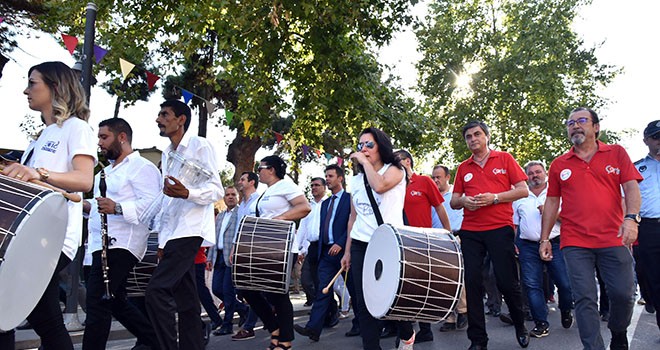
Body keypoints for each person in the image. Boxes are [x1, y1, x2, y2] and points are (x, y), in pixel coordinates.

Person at [0, 61, 97, 349]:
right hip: (31, 236)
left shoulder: (76, 128)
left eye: (33, 83)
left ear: (54, 87)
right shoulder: (41, 138)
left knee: (6, 306)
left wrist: (38, 173)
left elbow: (83, 180)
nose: (25, 90)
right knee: (44, 319)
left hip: (51, 239)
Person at [540, 107, 642, 350]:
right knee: (585, 299)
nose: (575, 125)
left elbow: (631, 188)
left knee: (623, 295)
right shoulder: (559, 164)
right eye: (570, 122)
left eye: (582, 120)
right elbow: (552, 201)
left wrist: (631, 219)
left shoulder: (616, 153)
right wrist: (544, 239)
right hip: (575, 242)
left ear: (596, 127)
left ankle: (618, 331)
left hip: (613, 238)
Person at [146, 99, 224, 350]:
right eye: (159, 115)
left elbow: (216, 189)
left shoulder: (200, 146)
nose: (159, 119)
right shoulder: (168, 153)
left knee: (156, 292)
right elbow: (167, 201)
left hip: (190, 230)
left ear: (181, 120)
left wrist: (187, 193)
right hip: (173, 232)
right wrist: (161, 240)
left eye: (164, 114)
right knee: (188, 302)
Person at [82, 117, 161, 350]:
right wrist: (76, 203)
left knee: (97, 303)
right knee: (114, 301)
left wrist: (116, 207)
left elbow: (152, 207)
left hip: (123, 244)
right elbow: (98, 208)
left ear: (122, 137)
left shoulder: (142, 168)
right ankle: (161, 343)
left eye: (104, 137)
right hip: (98, 246)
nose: (100, 143)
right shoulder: (102, 174)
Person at [450, 120, 530, 350]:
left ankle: (519, 325)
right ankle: (478, 340)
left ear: (486, 136)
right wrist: (464, 201)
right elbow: (454, 201)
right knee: (473, 283)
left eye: (477, 134)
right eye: (468, 136)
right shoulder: (463, 167)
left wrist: (494, 197)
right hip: (471, 231)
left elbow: (522, 189)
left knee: (506, 281)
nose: (473, 139)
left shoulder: (504, 158)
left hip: (499, 228)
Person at [341, 127, 415, 350]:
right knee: (363, 302)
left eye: (369, 145)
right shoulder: (355, 181)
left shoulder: (395, 170)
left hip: (388, 242)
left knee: (391, 296)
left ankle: (406, 332)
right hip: (362, 245)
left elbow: (380, 186)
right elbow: (353, 218)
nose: (363, 149)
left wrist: (364, 163)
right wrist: (347, 251)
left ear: (381, 146)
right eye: (360, 145)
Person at [237, 155, 311, 350]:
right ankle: (274, 328)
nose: (258, 171)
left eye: (260, 167)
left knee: (278, 294)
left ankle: (285, 341)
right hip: (265, 247)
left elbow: (304, 207)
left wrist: (282, 218)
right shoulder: (266, 192)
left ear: (272, 169)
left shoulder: (286, 185)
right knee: (247, 288)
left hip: (283, 247)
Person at [394, 150, 450, 344]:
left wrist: (447, 232)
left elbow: (439, 207)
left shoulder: (425, 181)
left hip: (422, 240)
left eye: (397, 161)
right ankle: (405, 330)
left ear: (407, 161)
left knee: (423, 285)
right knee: (404, 285)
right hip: (399, 240)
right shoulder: (393, 184)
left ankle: (425, 330)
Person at [512, 160, 574, 339]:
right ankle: (541, 323)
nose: (535, 176)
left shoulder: (557, 193)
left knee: (564, 283)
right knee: (532, 285)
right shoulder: (520, 196)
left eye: (538, 172)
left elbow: (569, 220)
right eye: (531, 173)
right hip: (528, 246)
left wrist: (551, 212)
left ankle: (566, 309)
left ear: (545, 173)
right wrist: (515, 243)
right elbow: (515, 224)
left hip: (556, 243)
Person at [295, 164, 351, 341]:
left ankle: (362, 325)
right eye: (326, 176)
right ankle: (313, 328)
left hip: (345, 251)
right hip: (325, 253)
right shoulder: (326, 203)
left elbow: (353, 224)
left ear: (340, 178)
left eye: (331, 176)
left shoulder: (350, 199)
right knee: (323, 290)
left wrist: (340, 244)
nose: (327, 179)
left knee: (355, 291)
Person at [430, 165, 468, 332]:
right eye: (433, 177)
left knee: (457, 277)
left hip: (457, 237)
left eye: (438, 177)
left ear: (448, 177)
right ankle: (449, 317)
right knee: (441, 279)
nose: (436, 180)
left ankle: (463, 311)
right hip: (436, 239)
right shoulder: (431, 196)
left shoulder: (458, 195)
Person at [208, 186, 248, 336]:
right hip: (218, 256)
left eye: (233, 195)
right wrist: (210, 258)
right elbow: (214, 237)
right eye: (227, 195)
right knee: (216, 289)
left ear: (237, 197)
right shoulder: (220, 216)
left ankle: (228, 324)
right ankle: (243, 309)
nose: (230, 197)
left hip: (231, 257)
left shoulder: (240, 214)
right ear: (224, 198)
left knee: (227, 291)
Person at [635, 120, 660, 331]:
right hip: (650, 228)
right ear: (646, 141)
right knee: (654, 278)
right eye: (656, 137)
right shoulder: (636, 169)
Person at [230, 171, 261, 341]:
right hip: (242, 251)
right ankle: (269, 309)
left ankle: (249, 327)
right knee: (244, 288)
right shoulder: (242, 205)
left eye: (243, 179)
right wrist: (234, 249)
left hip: (254, 251)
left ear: (252, 182)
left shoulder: (259, 202)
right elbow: (238, 230)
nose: (239, 182)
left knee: (252, 289)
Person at [297, 177, 328, 307]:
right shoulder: (308, 207)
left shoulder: (328, 204)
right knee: (305, 280)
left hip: (326, 248)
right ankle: (322, 308)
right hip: (311, 249)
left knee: (323, 282)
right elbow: (303, 229)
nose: (314, 188)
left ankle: (326, 311)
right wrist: (299, 249)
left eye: (317, 185)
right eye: (312, 185)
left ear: (324, 188)